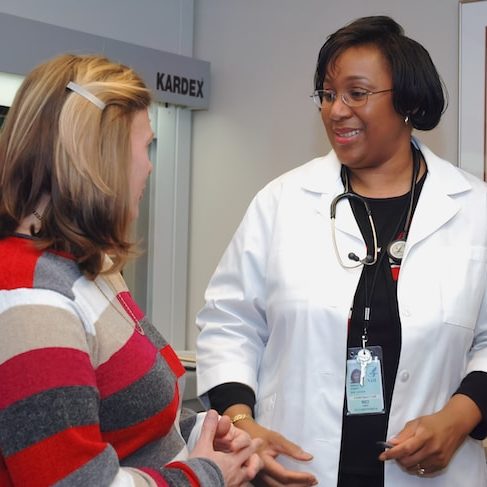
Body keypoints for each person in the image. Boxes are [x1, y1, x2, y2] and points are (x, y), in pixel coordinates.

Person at [195, 15, 487, 487]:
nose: (336, 110)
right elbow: (229, 324)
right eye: (328, 94)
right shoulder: (282, 201)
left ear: (408, 101)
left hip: (430, 474)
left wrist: (459, 417)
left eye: (356, 93)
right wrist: (244, 427)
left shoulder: (475, 210)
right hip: (296, 468)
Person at [0, 53, 263, 487]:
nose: (149, 166)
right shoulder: (30, 301)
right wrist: (204, 476)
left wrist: (201, 435)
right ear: (102, 158)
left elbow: (135, 423)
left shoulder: (88, 268)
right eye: (146, 146)